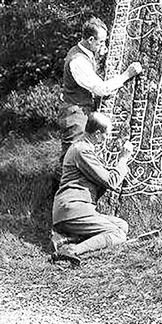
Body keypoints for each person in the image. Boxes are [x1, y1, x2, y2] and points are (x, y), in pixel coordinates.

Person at [51, 112, 133, 266]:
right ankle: (71, 250)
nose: (107, 138)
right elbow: (111, 181)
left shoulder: (81, 146)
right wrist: (123, 159)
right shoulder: (82, 150)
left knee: (123, 226)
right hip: (73, 209)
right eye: (105, 135)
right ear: (97, 134)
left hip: (75, 209)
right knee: (118, 234)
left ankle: (66, 238)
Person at [58, 17, 142, 162]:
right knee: (73, 157)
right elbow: (102, 89)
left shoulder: (83, 51)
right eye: (101, 41)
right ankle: (62, 184)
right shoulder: (78, 61)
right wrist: (127, 74)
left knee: (80, 155)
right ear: (90, 40)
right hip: (75, 114)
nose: (104, 45)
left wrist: (101, 49)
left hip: (81, 110)